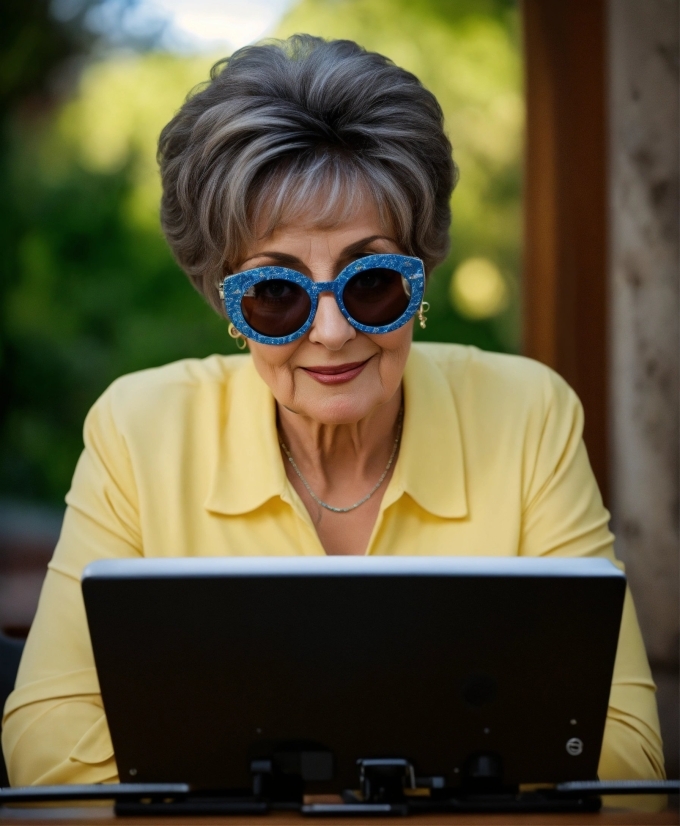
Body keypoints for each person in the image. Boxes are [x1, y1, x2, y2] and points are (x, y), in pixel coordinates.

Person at [2, 35, 664, 789]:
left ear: (421, 275)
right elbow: (45, 750)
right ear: (226, 302)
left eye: (372, 281)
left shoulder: (529, 415)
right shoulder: (137, 430)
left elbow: (621, 755)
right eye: (276, 293)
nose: (332, 332)